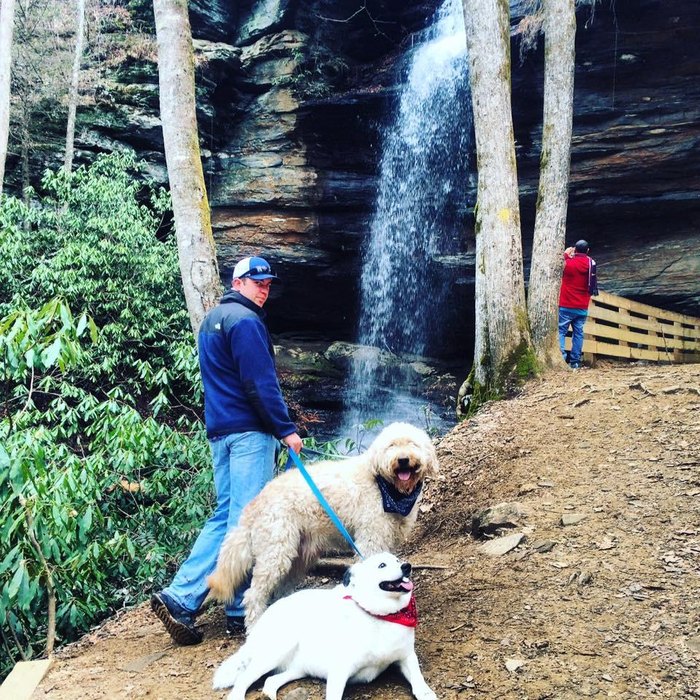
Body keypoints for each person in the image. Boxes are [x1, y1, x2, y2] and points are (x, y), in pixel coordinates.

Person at [151, 255, 303, 645]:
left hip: (220, 431)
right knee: (246, 520)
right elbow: (259, 384)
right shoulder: (246, 321)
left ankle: (205, 600)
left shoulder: (211, 322)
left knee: (228, 515)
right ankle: (202, 600)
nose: (263, 289)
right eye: (257, 283)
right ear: (237, 283)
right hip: (249, 433)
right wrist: (285, 430)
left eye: (267, 283)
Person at [558, 240, 598, 369]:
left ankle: (562, 358)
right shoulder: (591, 264)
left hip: (566, 304)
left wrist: (565, 254)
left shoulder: (568, 263)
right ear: (587, 251)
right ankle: (575, 362)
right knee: (578, 333)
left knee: (561, 331)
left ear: (575, 250)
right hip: (582, 306)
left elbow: (559, 266)